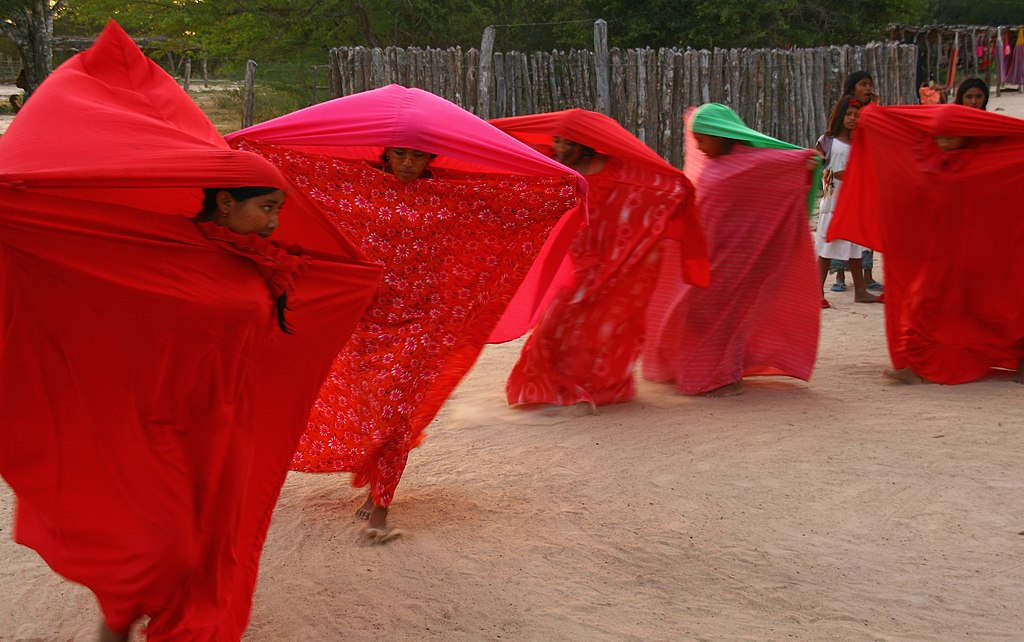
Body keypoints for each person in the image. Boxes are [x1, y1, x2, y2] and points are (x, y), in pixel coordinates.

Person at [0, 22, 380, 640]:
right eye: (266, 207)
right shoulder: (156, 250)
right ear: (224, 203)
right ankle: (119, 614)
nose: (277, 221)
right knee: (157, 544)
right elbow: (75, 259)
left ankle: (137, 619)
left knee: (201, 547)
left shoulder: (263, 261)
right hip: (149, 422)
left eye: (279, 208)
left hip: (221, 429)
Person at [227, 84, 586, 540]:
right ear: (386, 152)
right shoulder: (354, 186)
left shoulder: (452, 197)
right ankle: (373, 482)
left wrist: (565, 187)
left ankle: (381, 506)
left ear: (431, 158)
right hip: (364, 320)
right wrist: (244, 150)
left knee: (395, 412)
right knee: (365, 408)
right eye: (399, 154)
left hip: (422, 321)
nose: (408, 164)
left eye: (418, 156)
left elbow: (517, 200)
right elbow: (290, 169)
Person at [488, 109, 709, 407]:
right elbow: (503, 152)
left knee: (601, 331)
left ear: (585, 143)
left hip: (612, 267)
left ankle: (600, 387)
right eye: (557, 141)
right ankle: (542, 388)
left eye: (567, 143)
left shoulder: (620, 171)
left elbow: (662, 187)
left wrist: (679, 191)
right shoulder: (553, 165)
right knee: (554, 325)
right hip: (571, 266)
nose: (560, 148)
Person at [828, 102, 1024, 385]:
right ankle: (918, 364)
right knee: (924, 305)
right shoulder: (928, 159)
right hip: (940, 256)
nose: (943, 141)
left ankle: (1015, 359)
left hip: (977, 256)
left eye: (950, 136)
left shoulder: (984, 163)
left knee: (994, 309)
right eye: (939, 135)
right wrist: (871, 118)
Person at [642, 103, 821, 397]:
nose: (698, 145)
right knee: (700, 315)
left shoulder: (751, 163)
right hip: (706, 258)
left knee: (724, 318)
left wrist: (803, 164)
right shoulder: (707, 164)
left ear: (723, 134)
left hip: (738, 259)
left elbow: (791, 169)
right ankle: (706, 372)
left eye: (704, 138)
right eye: (696, 139)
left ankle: (719, 377)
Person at [815, 96, 880, 308]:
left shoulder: (860, 144)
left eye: (857, 115)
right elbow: (817, 167)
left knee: (854, 249)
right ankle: (816, 293)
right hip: (833, 204)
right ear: (840, 115)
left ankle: (860, 291)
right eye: (849, 114)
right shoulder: (827, 141)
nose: (852, 119)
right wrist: (836, 174)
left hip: (853, 205)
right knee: (826, 250)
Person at [828, 70, 883, 293]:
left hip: (864, 172)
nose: (867, 88)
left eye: (870, 84)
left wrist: (876, 105)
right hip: (842, 176)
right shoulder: (845, 107)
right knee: (842, 224)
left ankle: (867, 276)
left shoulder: (868, 110)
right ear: (852, 88)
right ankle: (840, 276)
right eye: (863, 84)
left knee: (864, 223)